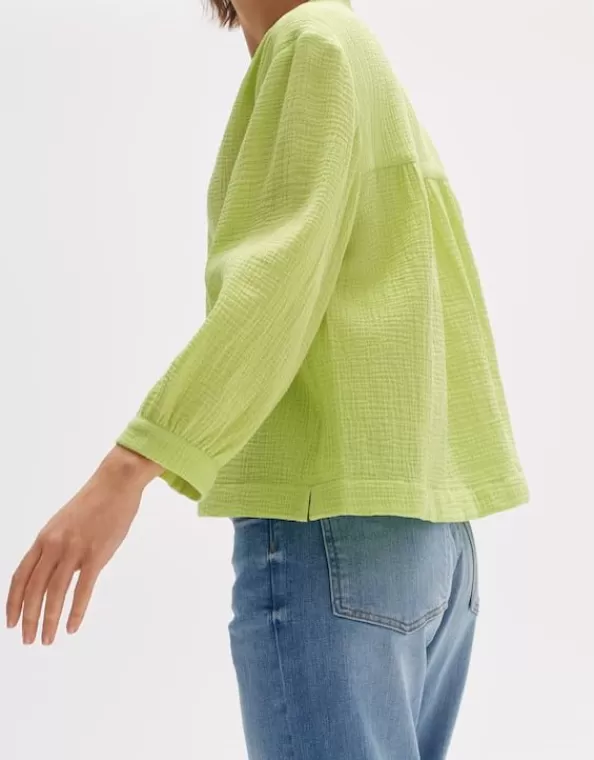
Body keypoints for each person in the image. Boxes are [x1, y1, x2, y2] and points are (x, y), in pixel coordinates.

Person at [5, 0, 529, 757]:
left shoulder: (313, 45)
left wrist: (124, 473)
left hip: (332, 537)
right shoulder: (356, 55)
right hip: (428, 540)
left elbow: (276, 286)